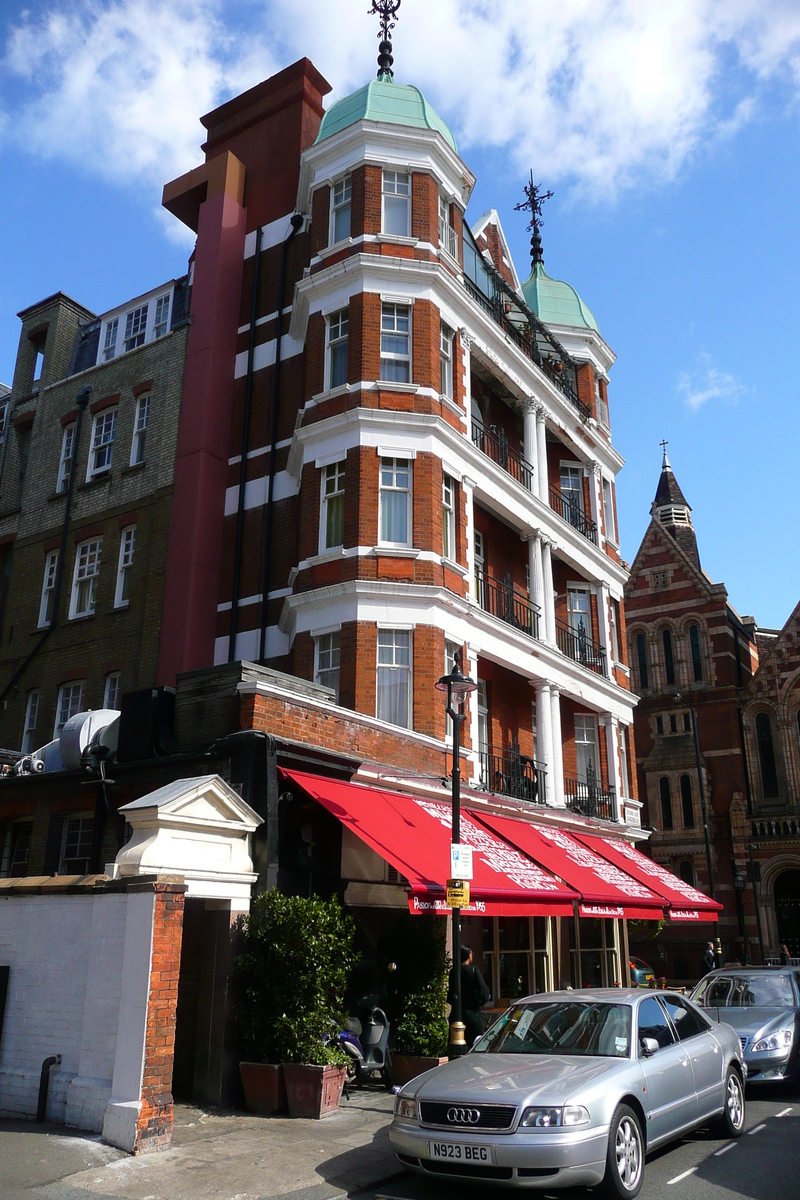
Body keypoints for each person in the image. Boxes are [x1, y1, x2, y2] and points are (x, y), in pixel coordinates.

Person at [450, 944, 491, 1048]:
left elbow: (450, 996)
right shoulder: (473, 970)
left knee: (456, 1046)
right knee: (477, 1044)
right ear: (469, 955)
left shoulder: (453, 971)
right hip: (472, 1012)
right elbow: (483, 991)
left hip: (456, 1014)